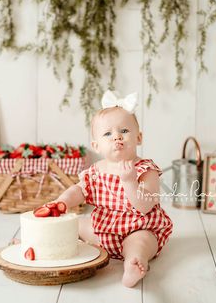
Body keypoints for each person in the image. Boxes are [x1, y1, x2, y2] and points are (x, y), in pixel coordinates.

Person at [54, 91, 173, 287]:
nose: (117, 137)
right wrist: (63, 202)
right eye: (108, 134)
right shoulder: (96, 170)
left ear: (139, 137)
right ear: (96, 145)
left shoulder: (146, 169)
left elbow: (144, 206)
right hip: (103, 229)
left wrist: (129, 182)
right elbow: (79, 190)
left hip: (138, 228)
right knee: (74, 223)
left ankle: (133, 264)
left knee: (141, 243)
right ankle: (40, 244)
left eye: (124, 131)